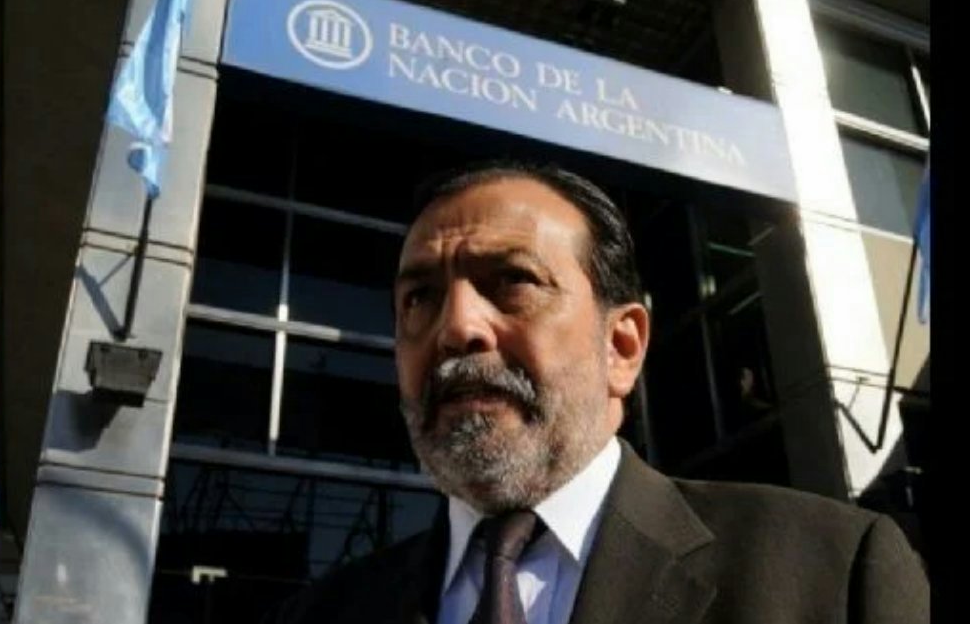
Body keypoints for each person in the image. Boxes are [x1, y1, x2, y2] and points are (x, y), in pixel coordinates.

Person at [262, 160, 929, 623]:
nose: (456, 327)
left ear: (622, 347)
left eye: (513, 281)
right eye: (419, 298)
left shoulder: (835, 571)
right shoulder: (316, 615)